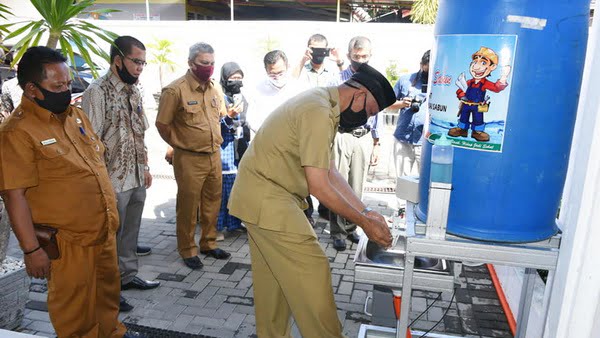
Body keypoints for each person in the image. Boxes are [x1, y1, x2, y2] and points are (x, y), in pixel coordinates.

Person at [228, 63, 395, 337]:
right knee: (313, 272)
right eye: (369, 111)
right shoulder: (317, 111)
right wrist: (363, 222)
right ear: (360, 95)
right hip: (269, 198)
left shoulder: (322, 105)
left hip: (262, 197)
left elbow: (330, 171)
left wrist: (365, 211)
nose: (365, 119)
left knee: (275, 287)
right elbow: (319, 186)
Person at [0, 46, 135, 338]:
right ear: (33, 89)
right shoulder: (18, 132)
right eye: (57, 86)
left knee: (107, 300)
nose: (66, 90)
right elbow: (14, 196)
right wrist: (31, 250)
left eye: (67, 82)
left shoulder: (74, 116)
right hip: (68, 243)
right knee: (75, 315)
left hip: (102, 232)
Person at [82, 36, 160, 312]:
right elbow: (90, 142)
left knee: (130, 232)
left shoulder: (134, 90)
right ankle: (109, 290)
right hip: (111, 179)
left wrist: (147, 167)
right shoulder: (97, 91)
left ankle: (127, 277)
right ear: (118, 60)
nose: (140, 67)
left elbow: (140, 132)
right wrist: (99, 182)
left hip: (136, 175)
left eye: (143, 62)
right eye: (136, 61)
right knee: (110, 238)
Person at [156, 42, 231, 270]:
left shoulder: (214, 88)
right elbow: (162, 124)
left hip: (213, 155)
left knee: (212, 203)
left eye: (211, 63)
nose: (208, 68)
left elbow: (220, 115)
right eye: (203, 63)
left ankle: (208, 243)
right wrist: (179, 143)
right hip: (189, 157)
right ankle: (188, 249)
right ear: (191, 63)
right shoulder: (175, 90)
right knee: (188, 206)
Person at [329, 36, 382, 251]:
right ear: (349, 55)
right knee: (338, 185)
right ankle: (338, 232)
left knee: (356, 187)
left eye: (365, 56)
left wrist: (377, 143)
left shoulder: (376, 80)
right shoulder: (337, 80)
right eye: (357, 56)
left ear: (371, 55)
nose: (361, 60)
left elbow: (378, 113)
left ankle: (352, 228)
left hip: (364, 138)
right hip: (342, 136)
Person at [448, 46, 511, 142]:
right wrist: (462, 96)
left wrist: (503, 77)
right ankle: (462, 129)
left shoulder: (484, 83)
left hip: (478, 105)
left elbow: (496, 88)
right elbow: (460, 90)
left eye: (483, 63)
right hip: (466, 104)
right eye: (475, 62)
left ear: (492, 67)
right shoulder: (469, 82)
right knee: (463, 116)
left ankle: (477, 132)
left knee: (478, 118)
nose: (476, 67)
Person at [216, 61, 248, 237]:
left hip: (238, 150)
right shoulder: (218, 97)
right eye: (232, 78)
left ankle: (234, 224)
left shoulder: (242, 97)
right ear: (224, 78)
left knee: (235, 190)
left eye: (239, 78)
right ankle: (216, 229)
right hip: (224, 150)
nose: (236, 81)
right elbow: (215, 126)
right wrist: (230, 116)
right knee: (221, 193)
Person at [392, 50, 430, 181]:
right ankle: (402, 203)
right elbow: (386, 104)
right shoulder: (405, 80)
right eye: (426, 69)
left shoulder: (441, 86)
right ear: (421, 65)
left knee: (425, 182)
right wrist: (402, 103)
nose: (428, 73)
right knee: (402, 182)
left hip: (426, 141)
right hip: (403, 139)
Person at [246, 50, 305, 133]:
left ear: (287, 66)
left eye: (280, 73)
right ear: (266, 70)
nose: (277, 77)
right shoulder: (258, 90)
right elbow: (251, 118)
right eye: (272, 74)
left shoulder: (299, 88)